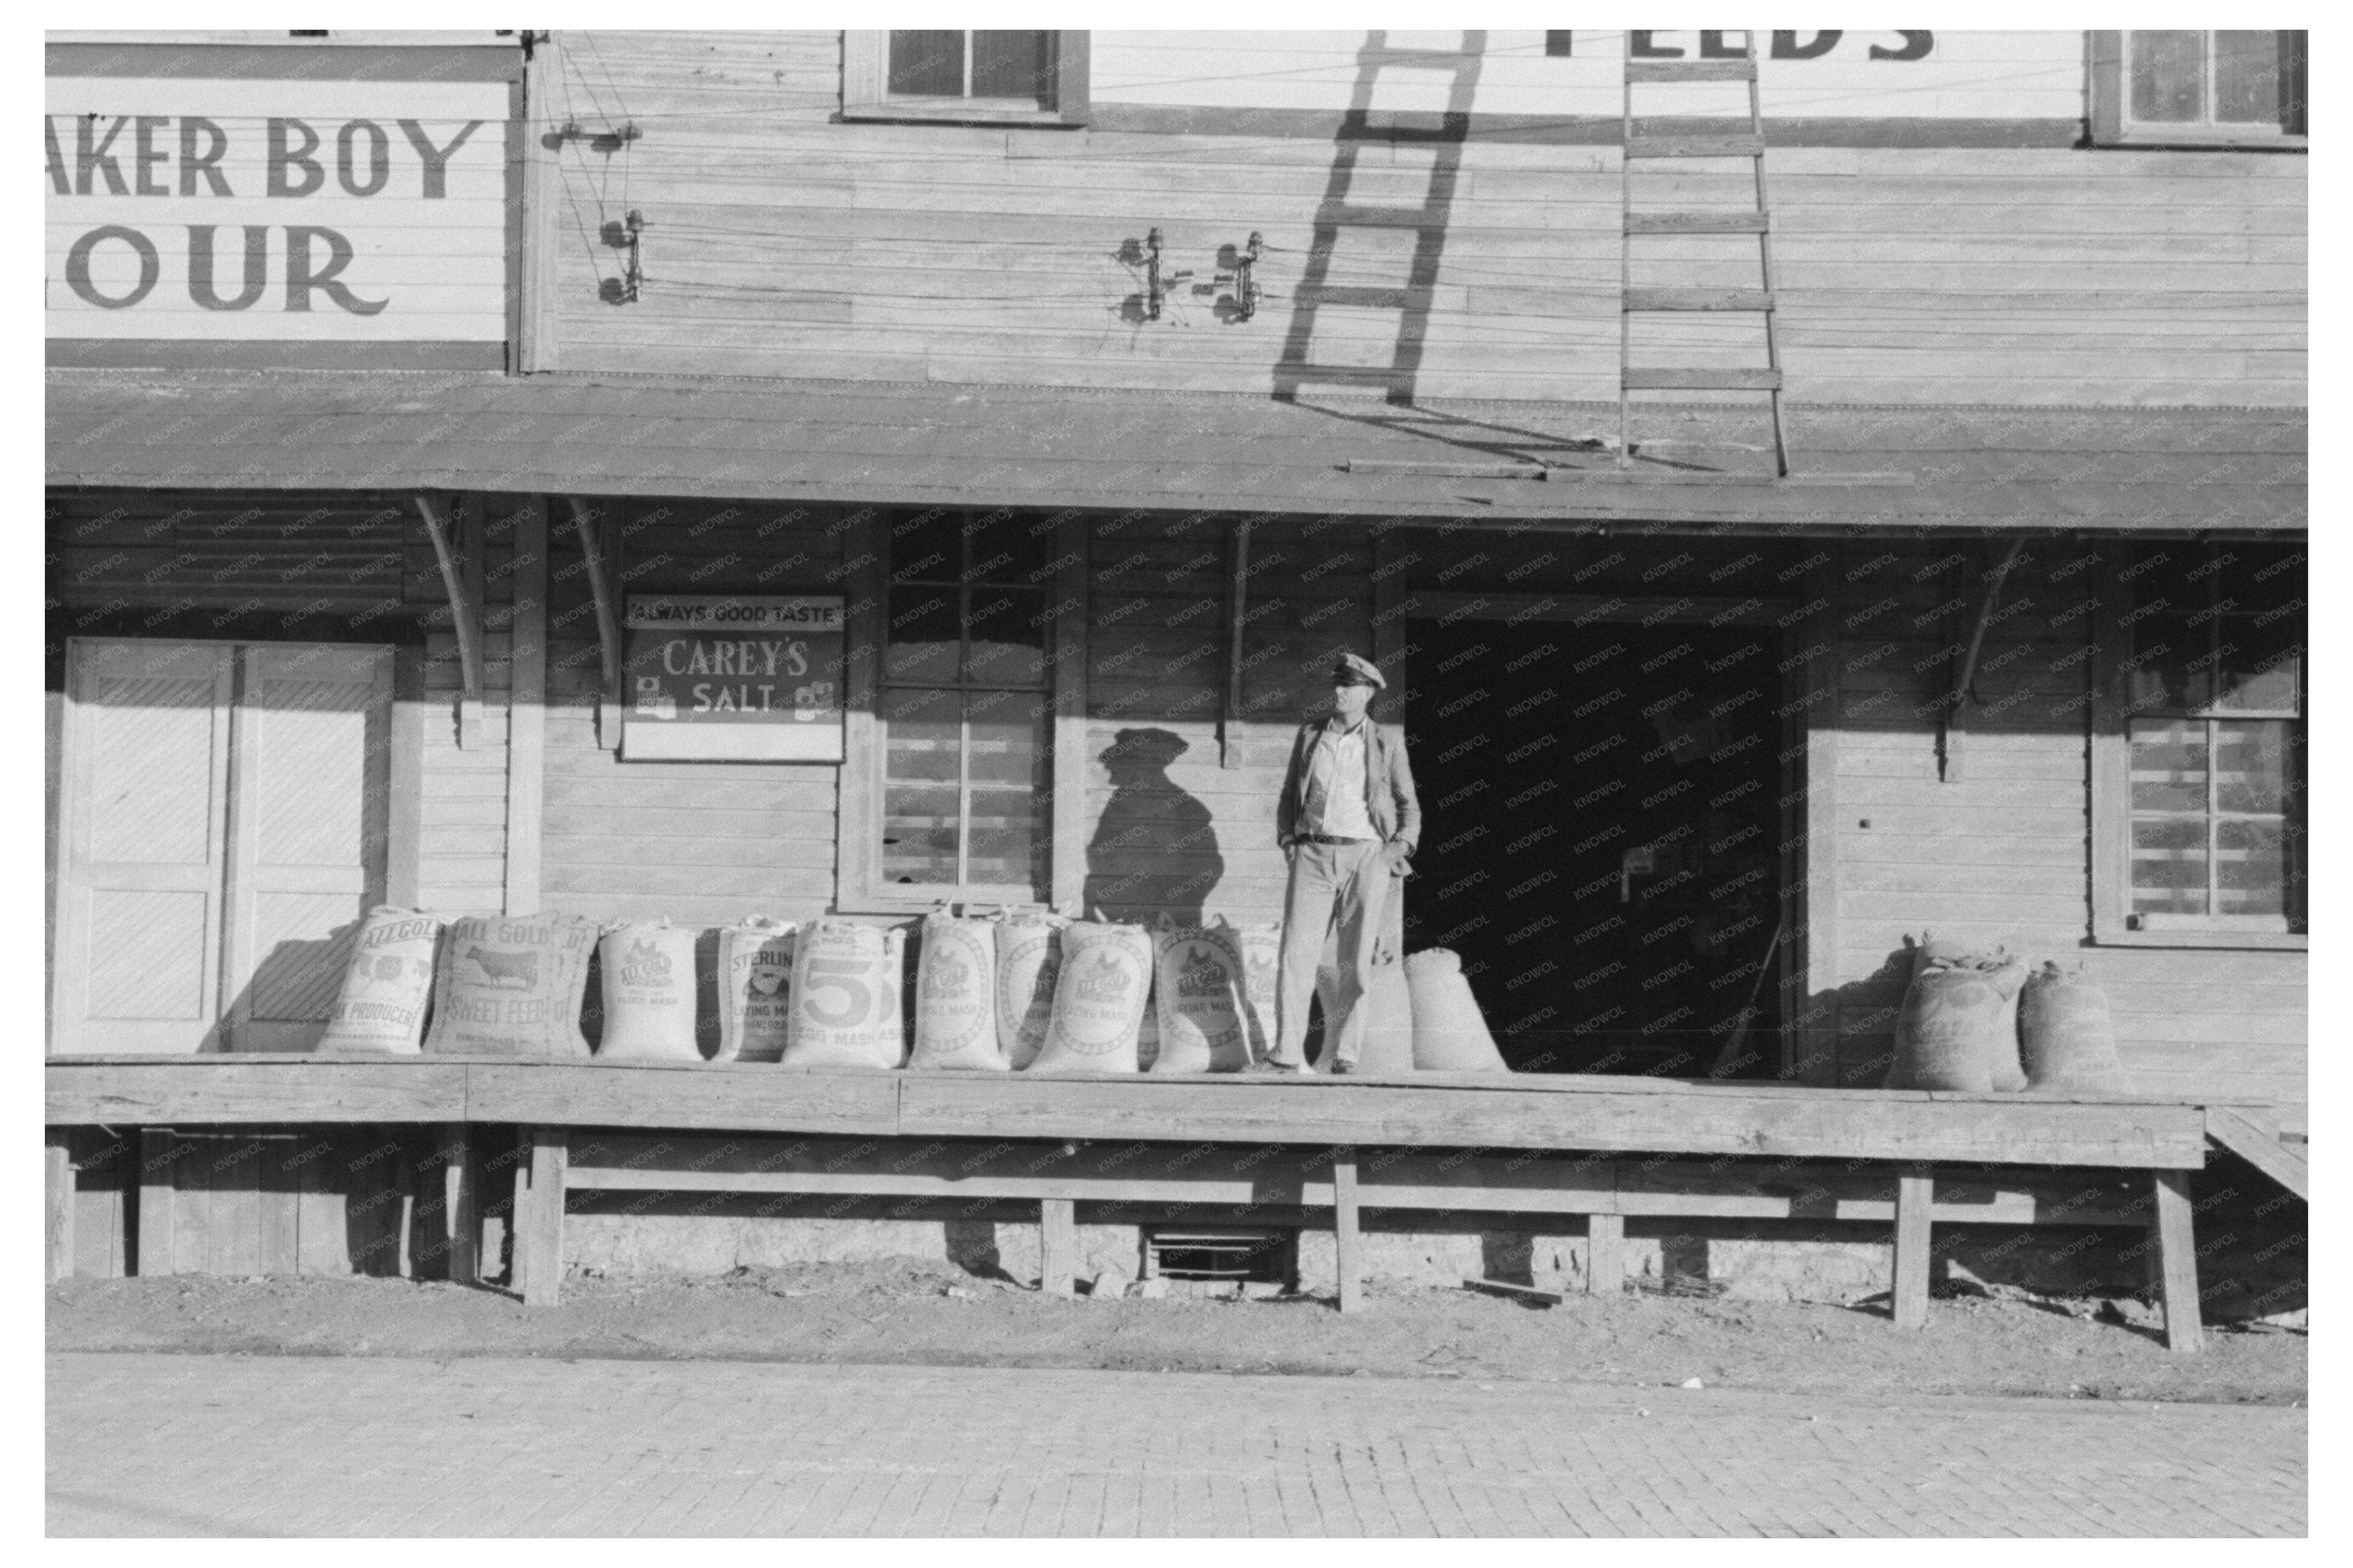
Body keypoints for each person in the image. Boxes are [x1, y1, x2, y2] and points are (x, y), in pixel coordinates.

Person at [1250, 652, 1420, 1075]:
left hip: (1366, 855)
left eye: (1349, 687)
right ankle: (1287, 1054)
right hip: (1312, 853)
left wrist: (1398, 847)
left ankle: (1346, 1054)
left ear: (1368, 693)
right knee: (1296, 955)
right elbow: (1291, 791)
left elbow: (1408, 803)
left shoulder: (1385, 741)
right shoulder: (1311, 735)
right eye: (1337, 685)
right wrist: (1288, 838)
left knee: (1355, 959)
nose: (1340, 693)